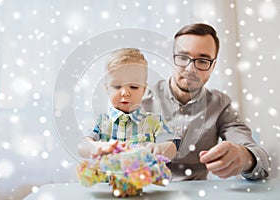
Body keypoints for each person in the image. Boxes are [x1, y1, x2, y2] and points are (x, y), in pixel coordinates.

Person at [141, 23, 270, 180]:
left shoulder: (221, 105)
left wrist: (244, 157)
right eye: (182, 58)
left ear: (213, 66)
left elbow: (262, 165)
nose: (190, 69)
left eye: (202, 61)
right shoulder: (139, 98)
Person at [78, 48, 178, 160]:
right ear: (107, 89)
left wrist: (160, 148)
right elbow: (82, 146)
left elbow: (172, 147)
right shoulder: (100, 122)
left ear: (143, 90)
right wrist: (96, 147)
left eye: (134, 87)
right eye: (117, 86)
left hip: (144, 176)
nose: (125, 92)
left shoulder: (155, 122)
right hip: (109, 177)